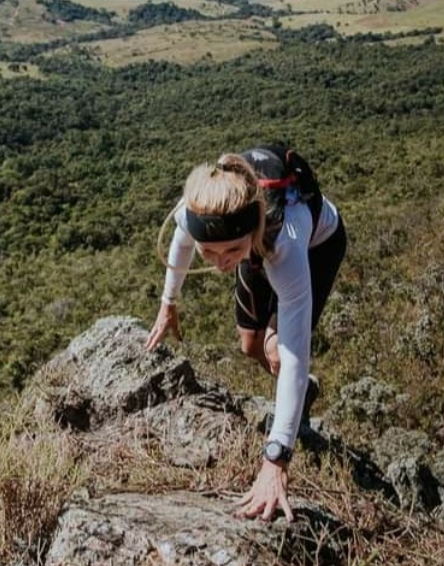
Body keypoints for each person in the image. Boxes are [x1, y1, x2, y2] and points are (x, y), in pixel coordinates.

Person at [145, 146, 347, 522]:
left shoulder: (285, 240)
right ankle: (301, 391)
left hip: (317, 248)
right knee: (249, 344)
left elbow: (294, 354)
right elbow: (182, 241)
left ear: (251, 229)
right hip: (253, 247)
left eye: (228, 252)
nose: (220, 265)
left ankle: (294, 407)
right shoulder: (208, 217)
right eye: (211, 253)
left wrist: (276, 460)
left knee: (276, 351)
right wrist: (168, 304)